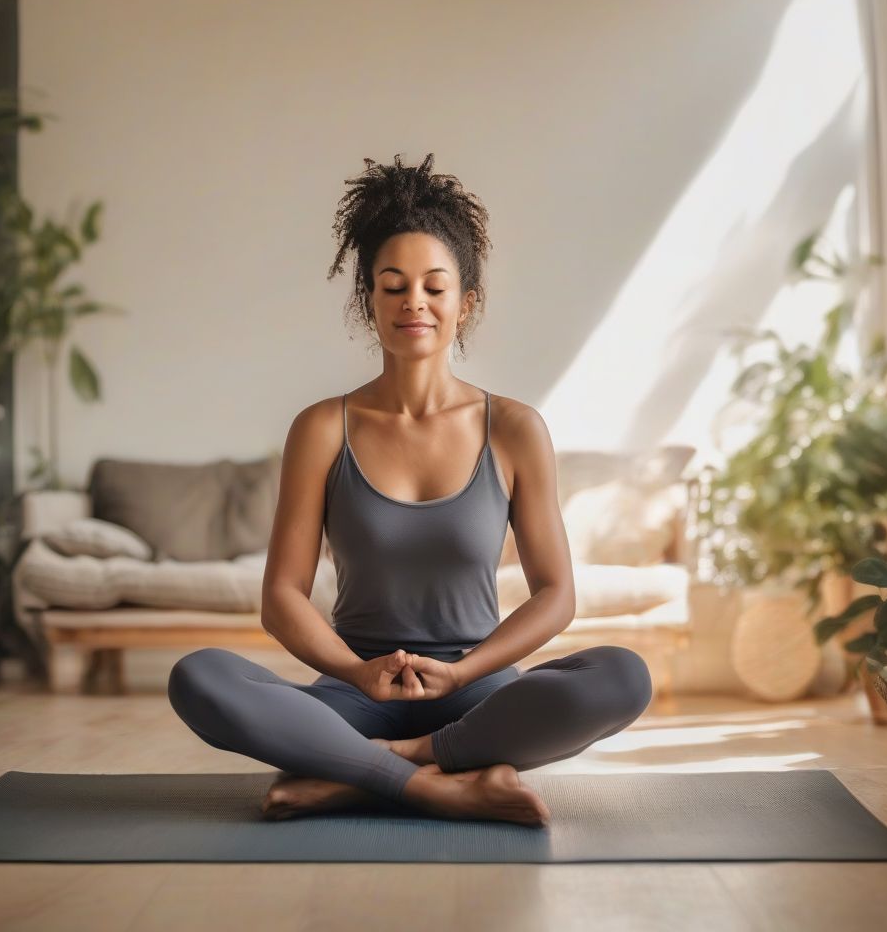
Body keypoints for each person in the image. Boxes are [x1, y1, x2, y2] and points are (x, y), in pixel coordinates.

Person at [167, 152, 653, 826]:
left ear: (465, 301)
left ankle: (371, 766)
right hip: (355, 686)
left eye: (434, 285)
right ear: (369, 300)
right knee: (199, 675)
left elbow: (556, 594)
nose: (413, 303)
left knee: (623, 675)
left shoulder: (513, 428)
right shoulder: (322, 428)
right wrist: (358, 673)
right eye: (392, 285)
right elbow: (282, 597)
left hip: (476, 688)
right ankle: (437, 783)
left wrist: (461, 672)